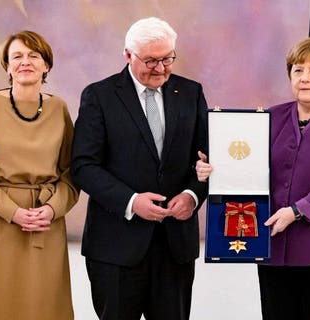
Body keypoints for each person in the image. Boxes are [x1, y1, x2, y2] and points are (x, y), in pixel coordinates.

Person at [196, 36, 310, 320]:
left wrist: (298, 211)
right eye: (298, 70)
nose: (305, 78)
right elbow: (247, 169)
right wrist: (215, 170)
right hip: (276, 250)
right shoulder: (270, 117)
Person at [71, 17, 208, 320]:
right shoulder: (99, 96)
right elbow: (83, 165)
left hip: (175, 248)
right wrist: (131, 202)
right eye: (150, 61)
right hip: (115, 248)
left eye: (167, 59)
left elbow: (207, 158)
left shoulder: (191, 93)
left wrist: (192, 195)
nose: (160, 68)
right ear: (128, 55)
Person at [0, 31, 79, 320]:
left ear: (46, 65)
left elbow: (71, 173)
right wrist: (11, 211)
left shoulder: (58, 109)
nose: (25, 62)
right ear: (7, 66)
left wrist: (52, 209)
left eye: (33, 56)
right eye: (17, 56)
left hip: (44, 223)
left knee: (44, 307)